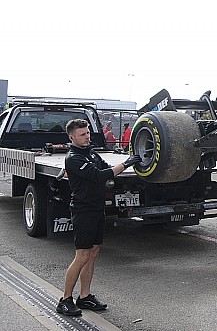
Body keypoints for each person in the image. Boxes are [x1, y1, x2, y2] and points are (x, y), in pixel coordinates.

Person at [56, 119, 142, 317]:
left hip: (97, 209)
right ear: (71, 137)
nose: (87, 137)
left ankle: (84, 296)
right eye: (82, 135)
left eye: (87, 133)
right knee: (82, 256)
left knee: (93, 253)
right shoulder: (73, 158)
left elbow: (107, 167)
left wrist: (130, 164)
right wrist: (127, 163)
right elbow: (100, 175)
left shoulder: (91, 153)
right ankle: (65, 299)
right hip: (83, 211)